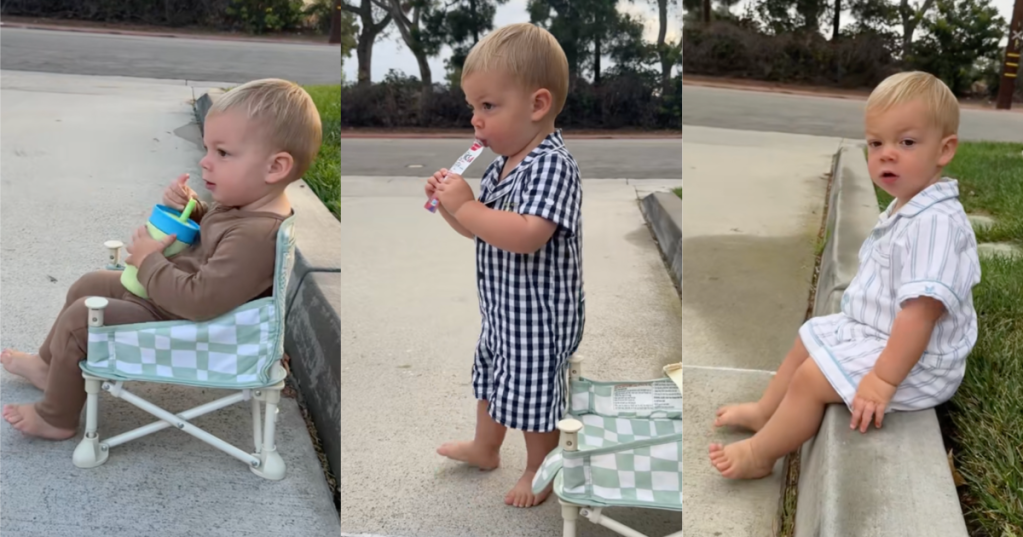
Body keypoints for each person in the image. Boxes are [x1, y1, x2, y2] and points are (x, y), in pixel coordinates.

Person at [2, 78, 322, 441]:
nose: (205, 162)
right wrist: (192, 207)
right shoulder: (248, 208)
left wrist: (149, 261)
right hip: (171, 295)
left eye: (223, 153)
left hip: (187, 320)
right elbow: (218, 235)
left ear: (275, 168)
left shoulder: (255, 235)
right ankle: (49, 367)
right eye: (206, 149)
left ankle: (55, 417)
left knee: (81, 322)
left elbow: (200, 301)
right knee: (88, 285)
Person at [709, 71, 982, 479]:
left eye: (906, 142)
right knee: (811, 334)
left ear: (944, 150)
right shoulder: (910, 205)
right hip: (882, 333)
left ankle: (761, 454)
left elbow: (920, 316)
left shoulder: (936, 224)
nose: (887, 154)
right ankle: (766, 411)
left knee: (813, 378)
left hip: (919, 363)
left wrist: (882, 380)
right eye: (876, 143)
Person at [425, 22, 585, 508]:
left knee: (535, 395)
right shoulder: (502, 164)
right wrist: (453, 207)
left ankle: (539, 466)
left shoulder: (552, 165)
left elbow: (525, 236)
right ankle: (486, 446)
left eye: (488, 106)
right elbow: (479, 231)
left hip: (541, 315)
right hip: (504, 310)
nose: (476, 120)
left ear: (537, 105)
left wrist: (468, 205)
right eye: (473, 107)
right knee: (492, 375)